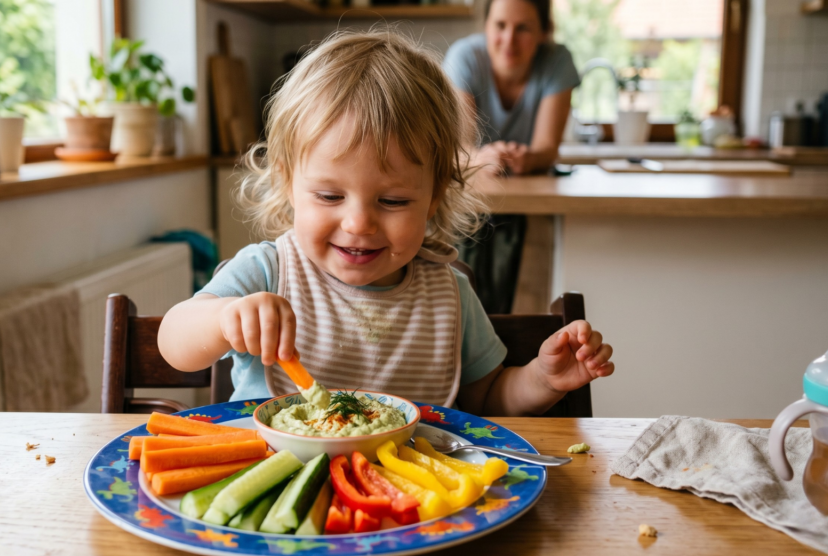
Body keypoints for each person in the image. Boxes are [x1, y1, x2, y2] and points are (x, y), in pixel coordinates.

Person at [158, 30, 613, 416]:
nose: (358, 223)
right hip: (276, 502)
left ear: (434, 197)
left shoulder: (448, 292)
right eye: (329, 195)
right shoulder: (268, 271)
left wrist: (542, 379)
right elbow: (173, 344)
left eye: (393, 200)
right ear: (287, 181)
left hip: (411, 507)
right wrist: (222, 318)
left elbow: (487, 397)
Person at [443, 0, 579, 175]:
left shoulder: (558, 61)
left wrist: (528, 158)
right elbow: (456, 149)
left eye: (523, 28)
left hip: (532, 190)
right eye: (500, 25)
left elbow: (547, 149)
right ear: (486, 26)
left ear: (544, 32)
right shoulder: (463, 58)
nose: (509, 40)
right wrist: (482, 160)